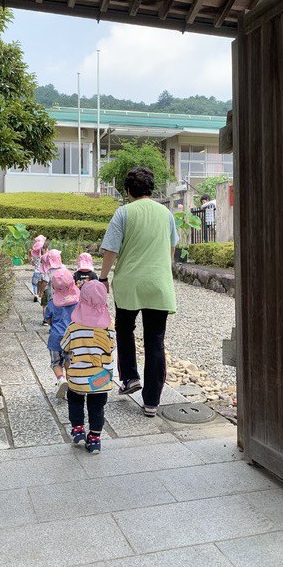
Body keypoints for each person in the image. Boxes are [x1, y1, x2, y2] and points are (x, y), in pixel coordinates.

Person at [99, 166, 178, 417]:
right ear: (151, 189)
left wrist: (102, 277)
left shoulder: (123, 213)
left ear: (128, 190)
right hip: (158, 284)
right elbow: (171, 249)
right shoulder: (166, 213)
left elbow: (110, 250)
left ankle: (130, 377)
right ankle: (152, 402)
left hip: (129, 283)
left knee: (124, 328)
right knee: (155, 340)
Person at [61, 280, 115, 454]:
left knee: (75, 399)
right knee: (97, 407)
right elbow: (111, 347)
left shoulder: (74, 326)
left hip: (78, 376)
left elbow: (65, 346)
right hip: (101, 378)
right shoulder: (109, 326)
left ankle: (78, 430)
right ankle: (94, 440)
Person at [44, 268, 80, 399]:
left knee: (56, 363)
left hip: (55, 339)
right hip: (72, 338)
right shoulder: (77, 302)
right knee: (69, 361)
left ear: (53, 286)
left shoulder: (52, 303)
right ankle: (71, 385)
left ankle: (61, 379)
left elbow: (47, 319)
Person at [40, 248, 63, 322]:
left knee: (48, 306)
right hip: (62, 293)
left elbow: (45, 282)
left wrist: (41, 291)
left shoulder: (49, 271)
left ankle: (46, 320)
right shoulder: (64, 269)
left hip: (51, 293)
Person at [28, 235, 46, 303]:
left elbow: (32, 263)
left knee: (34, 284)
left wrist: (29, 254)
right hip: (43, 273)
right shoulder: (44, 257)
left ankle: (35, 294)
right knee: (42, 284)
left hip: (36, 272)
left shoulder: (34, 256)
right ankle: (40, 294)